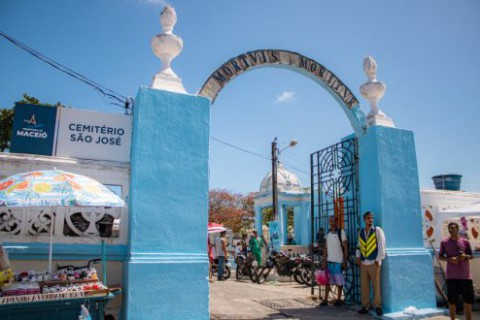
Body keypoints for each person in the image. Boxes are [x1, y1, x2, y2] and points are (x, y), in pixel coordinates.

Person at [439, 221, 475, 320]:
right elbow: (440, 256)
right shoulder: (444, 242)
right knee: (452, 302)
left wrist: (464, 257)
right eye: (449, 228)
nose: (451, 230)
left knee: (468, 301)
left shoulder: (465, 242)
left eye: (453, 228)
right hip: (452, 277)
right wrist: (449, 259)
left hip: (466, 277)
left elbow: (471, 256)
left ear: (458, 229)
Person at [355, 211, 386, 316]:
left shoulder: (378, 231)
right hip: (364, 263)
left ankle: (378, 306)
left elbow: (382, 246)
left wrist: (379, 259)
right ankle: (366, 305)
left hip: (374, 263)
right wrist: (358, 256)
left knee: (376, 286)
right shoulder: (361, 232)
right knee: (364, 286)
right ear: (364, 219)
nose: (371, 220)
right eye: (368, 218)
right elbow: (359, 245)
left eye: (372, 218)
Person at [319, 215, 348, 307]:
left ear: (336, 222)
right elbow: (326, 248)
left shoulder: (341, 232)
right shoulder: (327, 234)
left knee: (339, 282)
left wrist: (345, 260)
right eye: (330, 221)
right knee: (327, 282)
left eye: (333, 221)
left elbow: (345, 247)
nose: (331, 222)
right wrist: (324, 260)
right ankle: (325, 300)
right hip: (329, 261)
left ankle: (338, 299)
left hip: (338, 261)